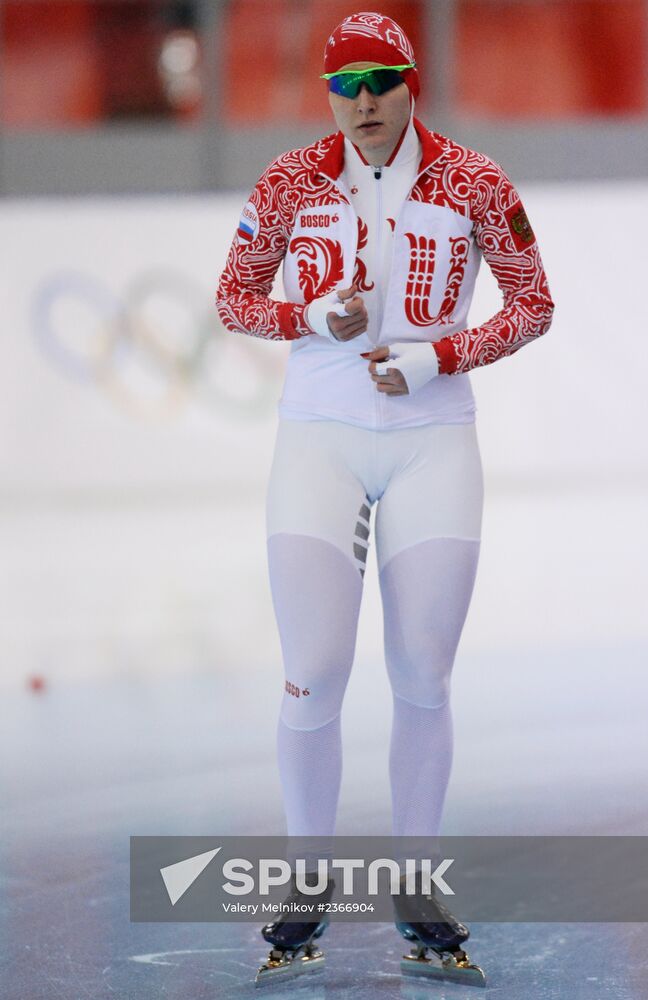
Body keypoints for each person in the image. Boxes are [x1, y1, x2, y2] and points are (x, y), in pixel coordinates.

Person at [216, 10, 554, 988]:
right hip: (317, 439)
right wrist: (308, 316)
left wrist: (440, 353)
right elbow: (233, 296)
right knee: (315, 668)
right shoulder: (289, 179)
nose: (363, 102)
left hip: (432, 442)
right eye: (344, 85)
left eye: (381, 82)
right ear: (326, 93)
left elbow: (533, 303)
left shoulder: (476, 180)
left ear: (412, 82)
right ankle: (305, 882)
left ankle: (416, 882)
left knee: (422, 669)